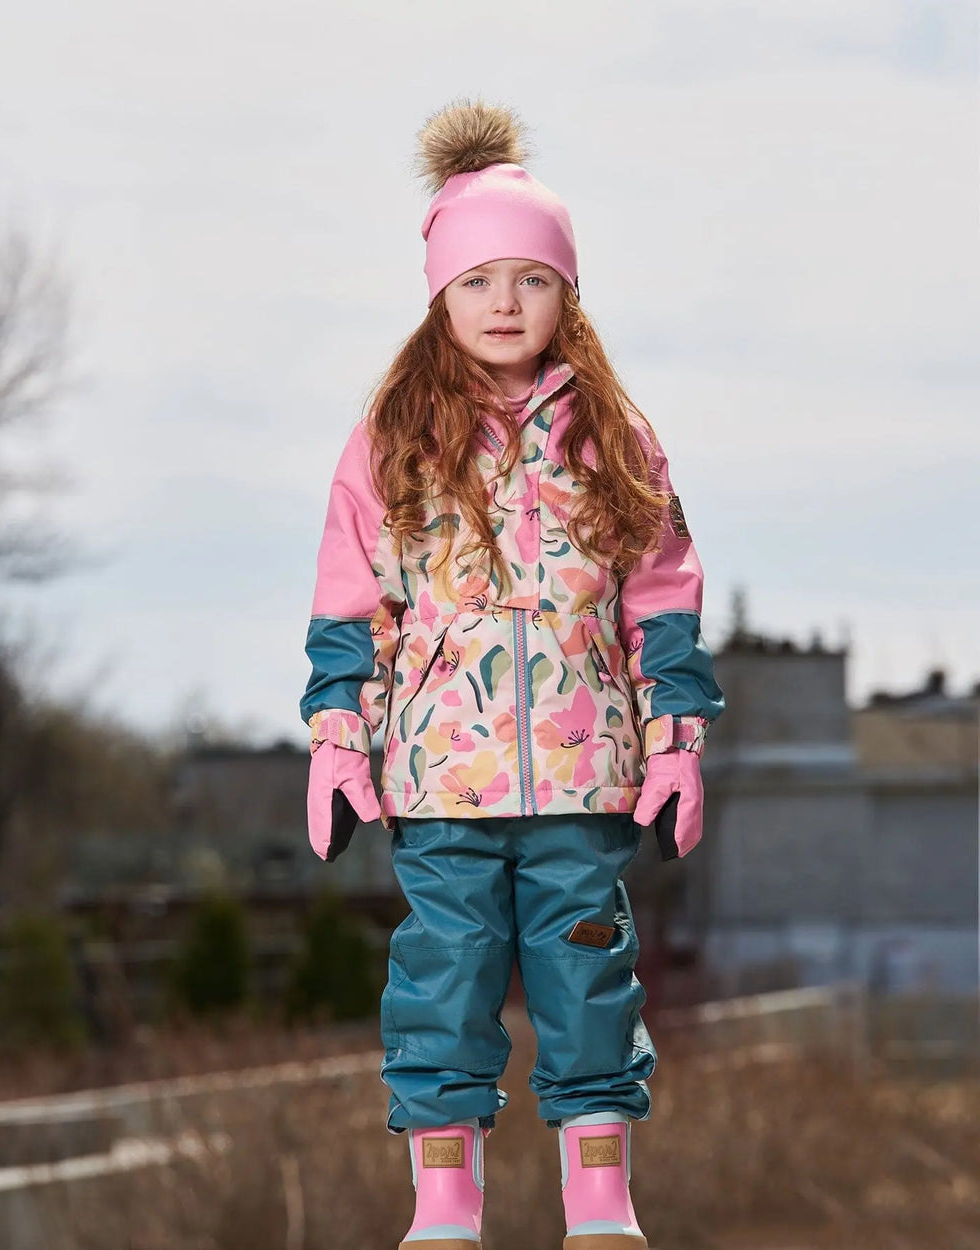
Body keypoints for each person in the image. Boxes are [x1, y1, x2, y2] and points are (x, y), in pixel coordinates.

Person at [300, 100, 725, 1250]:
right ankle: (445, 1203)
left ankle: (599, 1199)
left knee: (589, 981)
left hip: (586, 774)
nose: (503, 301)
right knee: (442, 980)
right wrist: (338, 735)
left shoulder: (613, 434)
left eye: (530, 279)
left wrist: (676, 740)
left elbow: (661, 595)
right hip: (440, 776)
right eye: (478, 278)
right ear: (440, 294)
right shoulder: (392, 437)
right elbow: (350, 604)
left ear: (565, 295)